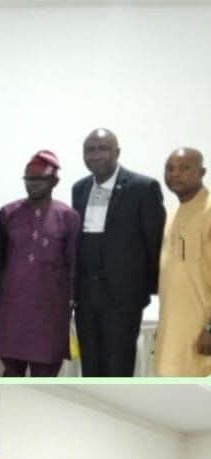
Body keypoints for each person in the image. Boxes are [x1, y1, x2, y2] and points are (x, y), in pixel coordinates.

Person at [72, 128, 165, 376]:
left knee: (118, 367)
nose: (96, 155)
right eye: (90, 150)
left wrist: (142, 292)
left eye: (103, 149)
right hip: (86, 297)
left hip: (123, 299)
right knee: (90, 366)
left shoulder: (143, 188)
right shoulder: (79, 189)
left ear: (117, 152)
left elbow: (155, 243)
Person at [0, 151, 80, 376]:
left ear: (54, 182)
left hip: (50, 312)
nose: (32, 185)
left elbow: (74, 265)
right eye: (28, 179)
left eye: (39, 180)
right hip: (12, 309)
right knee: (11, 374)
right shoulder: (8, 213)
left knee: (45, 375)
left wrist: (71, 302)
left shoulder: (68, 217)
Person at [153, 148, 211, 376]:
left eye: (185, 168)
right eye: (170, 168)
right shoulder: (173, 213)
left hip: (201, 338)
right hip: (172, 335)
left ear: (202, 172)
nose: (175, 174)